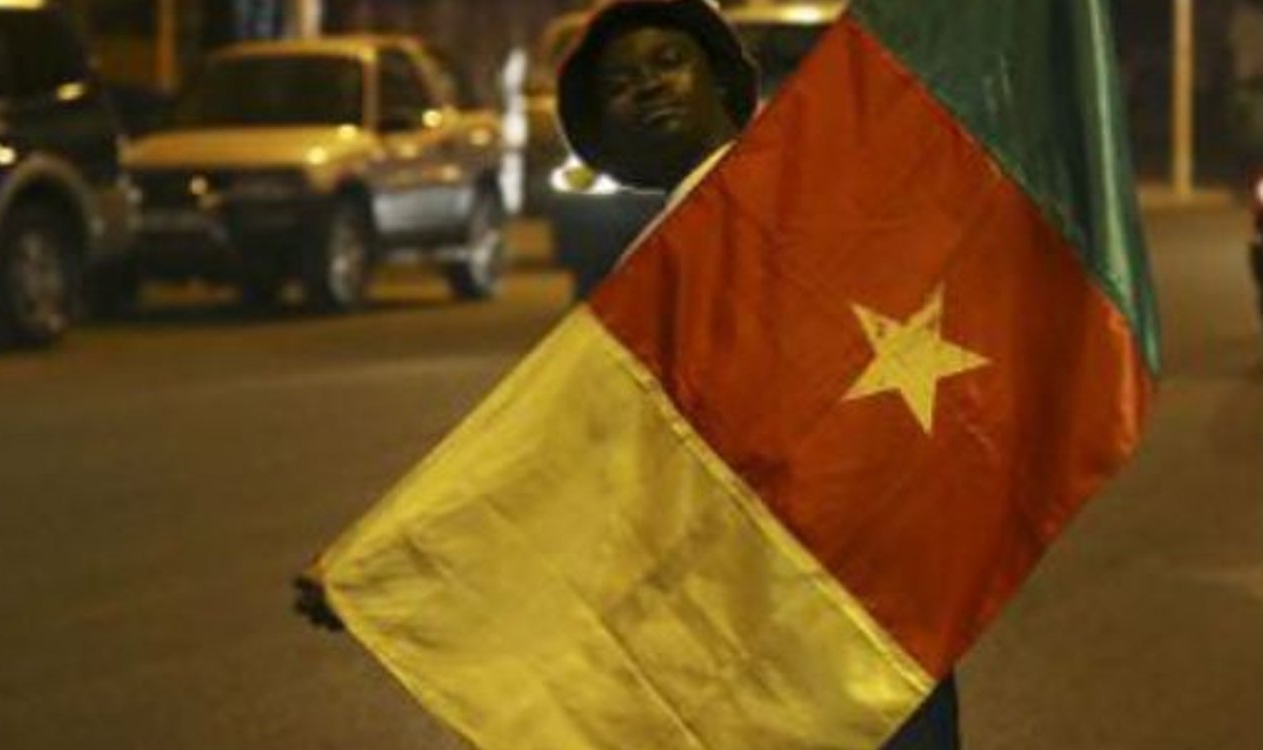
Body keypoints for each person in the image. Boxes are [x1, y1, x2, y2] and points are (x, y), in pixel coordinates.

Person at [299, 1, 963, 747]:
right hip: (770, 608)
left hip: (867, 595)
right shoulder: (647, 274)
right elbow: (556, 450)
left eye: (668, 63)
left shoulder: (811, 199)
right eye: (619, 84)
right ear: (606, 135)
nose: (647, 87)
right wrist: (383, 568)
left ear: (718, 80)